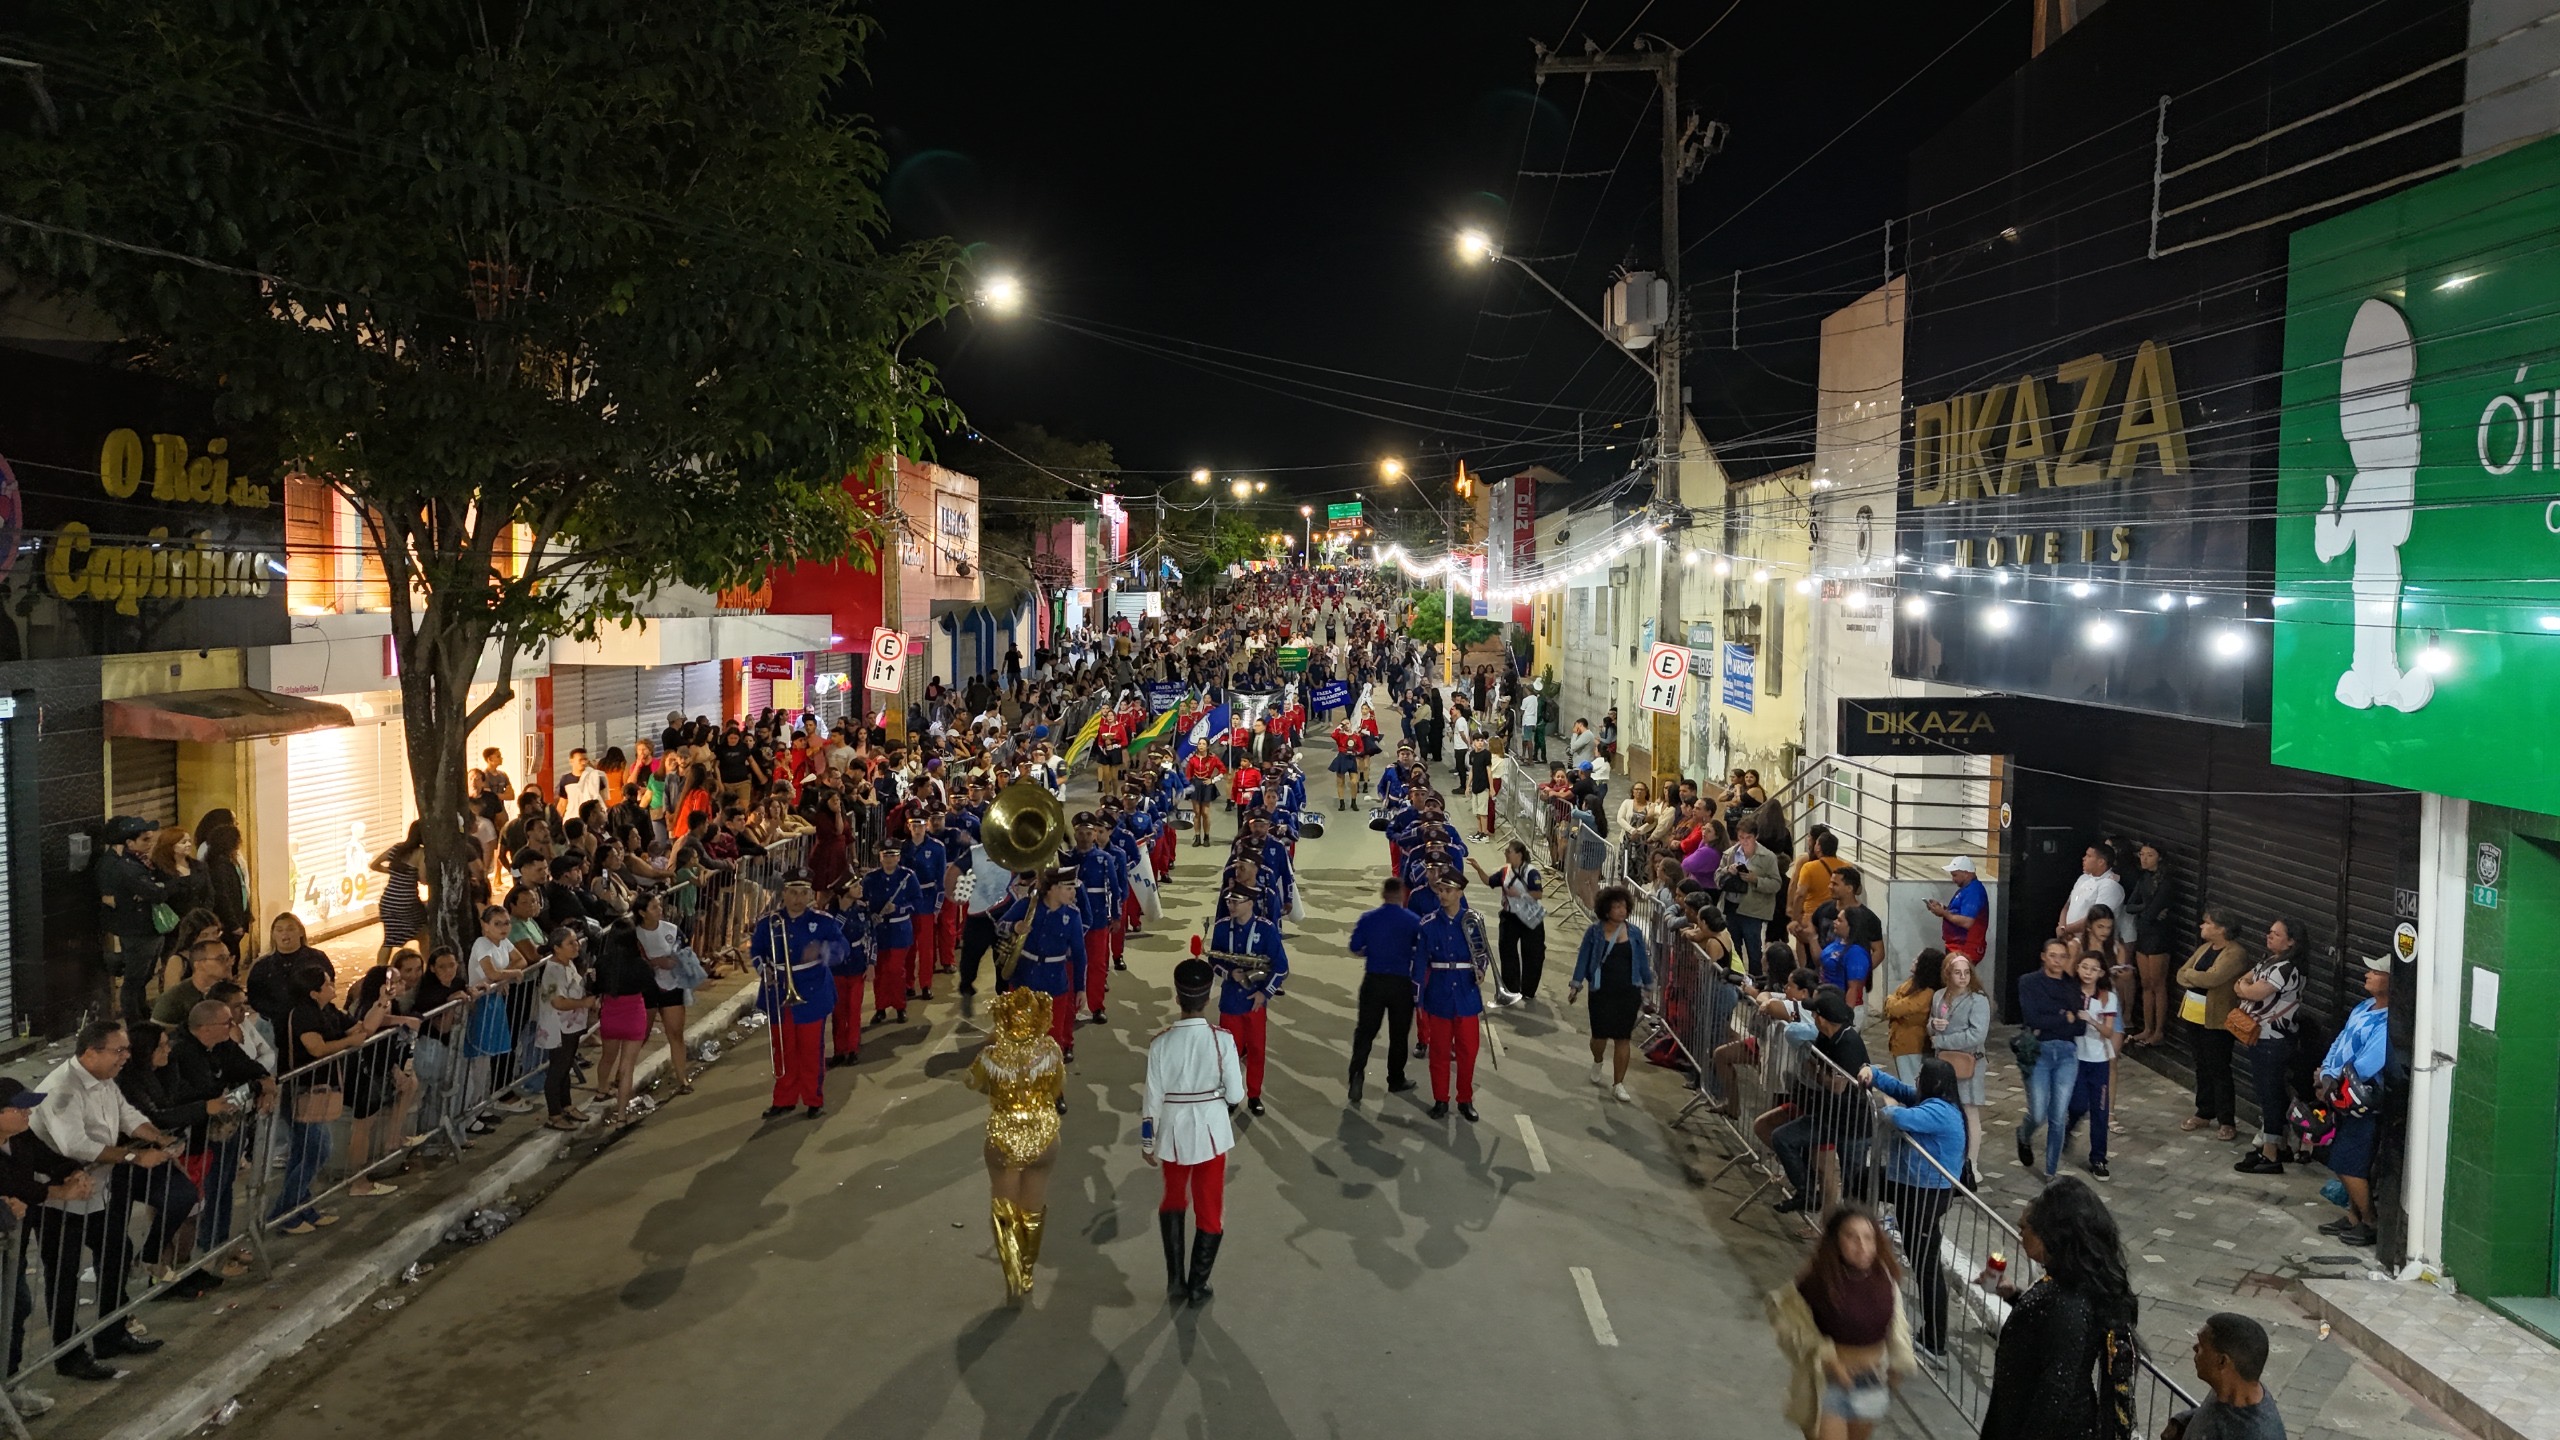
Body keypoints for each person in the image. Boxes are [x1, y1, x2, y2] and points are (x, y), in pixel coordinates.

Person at [30, 1022, 178, 1381]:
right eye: (118, 1050)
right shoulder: (62, 1089)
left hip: (95, 1191)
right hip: (58, 1198)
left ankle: (111, 1333)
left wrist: (157, 1137)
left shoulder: (105, 1080)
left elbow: (126, 1115)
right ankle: (68, 1354)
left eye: (126, 1050)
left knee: (117, 1250)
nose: (126, 1057)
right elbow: (74, 1145)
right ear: (90, 1052)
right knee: (63, 1275)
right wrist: (133, 1157)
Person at [1979, 1177, 2139, 1440]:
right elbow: (2045, 1328)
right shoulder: (2064, 1284)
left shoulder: (2070, 1301)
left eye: (2026, 1226)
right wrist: (2015, 1296)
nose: (2020, 1232)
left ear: (2052, 1233)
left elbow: (2054, 1393)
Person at [1142, 958, 1247, 1307]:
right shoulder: (1222, 1040)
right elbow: (1236, 1095)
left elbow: (1151, 1099)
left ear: (1177, 998)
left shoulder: (1160, 1044)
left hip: (1172, 1132)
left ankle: (1174, 1281)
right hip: (1211, 1134)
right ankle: (1198, 1285)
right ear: (1209, 996)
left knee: (1173, 1198)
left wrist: (1147, 1142)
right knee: (1210, 1208)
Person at [1765, 1205, 1915, 1440]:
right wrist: (1828, 1359)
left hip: (1871, 1382)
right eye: (1851, 1237)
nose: (1862, 1246)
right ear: (1836, 1240)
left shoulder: (1885, 1277)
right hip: (1828, 1383)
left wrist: (1898, 1362)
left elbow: (1897, 1325)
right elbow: (1786, 1318)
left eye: (1868, 1237)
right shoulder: (1816, 1280)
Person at [965, 986, 1066, 1302]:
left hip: (1003, 1139)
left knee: (1004, 1210)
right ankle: (1027, 1270)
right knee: (1033, 1208)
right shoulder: (1050, 1050)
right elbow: (1057, 1088)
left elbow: (971, 1082)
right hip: (1043, 1135)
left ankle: (1013, 1276)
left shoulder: (991, 1055)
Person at [1862, 1058, 1964, 1358]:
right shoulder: (1929, 1100)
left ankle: (1935, 1340)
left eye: (1921, 1077)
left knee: (1926, 1266)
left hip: (1926, 1194)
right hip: (1910, 1184)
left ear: (1934, 1083)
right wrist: (1872, 1073)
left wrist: (1888, 1105)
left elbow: (1896, 1116)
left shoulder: (1940, 1112)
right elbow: (1899, 1089)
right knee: (1862, 1180)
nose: (1916, 1082)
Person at [2315, 957, 2392, 1248]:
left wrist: (2334, 1084)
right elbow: (2340, 1041)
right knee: (2343, 1158)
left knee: (2349, 1163)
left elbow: (2368, 1063)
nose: (2367, 975)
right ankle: (2353, 1217)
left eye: (2376, 972)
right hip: (2338, 1092)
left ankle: (2370, 1222)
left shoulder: (2390, 1022)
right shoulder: (2363, 1007)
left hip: (2360, 1101)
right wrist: (2326, 1073)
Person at [752, 872, 842, 1120]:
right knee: (782, 1049)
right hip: (778, 992)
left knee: (811, 1050)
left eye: (803, 893)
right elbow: (757, 951)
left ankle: (813, 1099)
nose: (798, 899)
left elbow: (841, 948)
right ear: (784, 893)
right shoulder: (768, 922)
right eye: (792, 892)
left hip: (812, 992)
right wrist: (764, 970)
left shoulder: (822, 921)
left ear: (810, 894)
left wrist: (822, 949)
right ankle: (784, 1099)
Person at [1772, 990, 1870, 1215]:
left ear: (1822, 1018)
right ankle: (1806, 1192)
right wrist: (1821, 1074)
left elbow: (1837, 1085)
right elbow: (1818, 1067)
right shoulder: (1825, 1037)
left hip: (1853, 1126)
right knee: (1782, 1137)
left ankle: (1854, 1227)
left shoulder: (1849, 1043)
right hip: (1829, 1116)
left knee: (1853, 1187)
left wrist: (1818, 1075)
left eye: (1815, 1014)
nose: (1813, 1018)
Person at [2232, 916, 2309, 1176]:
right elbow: (2241, 982)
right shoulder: (2269, 961)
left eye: (2276, 934)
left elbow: (2252, 991)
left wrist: (2245, 988)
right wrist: (2245, 986)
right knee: (2271, 1093)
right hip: (2261, 1037)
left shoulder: (2287, 969)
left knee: (2270, 1095)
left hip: (2273, 1040)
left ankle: (2270, 1154)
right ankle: (2279, 1145)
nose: (2269, 936)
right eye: (2269, 932)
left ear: (2291, 942)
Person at [1415, 870, 1490, 1122]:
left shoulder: (1472, 922)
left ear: (1460, 893)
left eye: (1448, 890)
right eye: (1440, 890)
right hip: (1439, 995)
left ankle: (1465, 1099)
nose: (1442, 895)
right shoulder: (1427, 925)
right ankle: (1440, 1099)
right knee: (1439, 1052)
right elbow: (1419, 964)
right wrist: (1418, 999)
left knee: (1468, 1051)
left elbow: (1482, 953)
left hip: (1466, 995)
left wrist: (1481, 970)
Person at [1567, 886, 1653, 1104]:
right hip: (1601, 991)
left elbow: (1642, 962)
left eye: (1624, 906)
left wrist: (1649, 985)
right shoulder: (1594, 932)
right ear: (1606, 909)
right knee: (1599, 1036)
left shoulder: (1634, 933)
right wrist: (1576, 985)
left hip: (1628, 991)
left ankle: (1618, 1084)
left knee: (1623, 1037)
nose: (1622, 910)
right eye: (1616, 907)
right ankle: (1598, 1060)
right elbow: (1583, 958)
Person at [1207, 887, 1288, 1117]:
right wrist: (1228, 974)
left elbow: (1282, 967)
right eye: (1229, 901)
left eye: (1236, 902)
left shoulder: (1266, 929)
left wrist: (1265, 994)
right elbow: (1214, 960)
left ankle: (1254, 1095)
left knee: (1256, 1050)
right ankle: (1231, 1094)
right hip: (1231, 1001)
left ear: (1250, 903)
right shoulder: (1222, 927)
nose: (1230, 906)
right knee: (1228, 1052)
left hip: (1255, 1001)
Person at [2175, 908, 2251, 1142]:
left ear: (2221, 928)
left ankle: (2226, 1119)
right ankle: (2204, 1111)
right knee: (2201, 1065)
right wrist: (2195, 975)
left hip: (2216, 1020)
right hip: (2193, 1015)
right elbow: (2180, 974)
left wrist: (2193, 975)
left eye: (2207, 923)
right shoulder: (2204, 948)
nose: (2202, 926)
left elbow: (2213, 978)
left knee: (2219, 1068)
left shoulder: (2235, 953)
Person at [1345, 877, 1422, 1104]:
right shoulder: (1412, 920)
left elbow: (1355, 947)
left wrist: (1373, 951)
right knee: (1399, 1035)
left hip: (1374, 982)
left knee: (1365, 1032)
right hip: (1401, 984)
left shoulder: (1368, 918)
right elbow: (1419, 950)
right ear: (1402, 894)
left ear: (1383, 894)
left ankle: (1356, 1074)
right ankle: (1395, 1079)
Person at [94, 816, 173, 1030]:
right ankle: (136, 1025)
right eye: (145, 839)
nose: (150, 843)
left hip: (148, 927)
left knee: (142, 977)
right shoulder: (119, 866)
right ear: (128, 842)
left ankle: (142, 1017)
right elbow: (155, 892)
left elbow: (160, 885)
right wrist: (150, 891)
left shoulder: (141, 861)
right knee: (134, 980)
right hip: (136, 929)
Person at [2017, 938, 2086, 1180]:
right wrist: (2064, 1016)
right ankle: (2023, 1134)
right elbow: (2032, 1018)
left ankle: (2050, 1172)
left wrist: (2053, 1018)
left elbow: (2080, 1027)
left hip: (2067, 1054)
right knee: (2038, 1113)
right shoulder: (2029, 982)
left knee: (2058, 1116)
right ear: (2043, 956)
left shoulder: (2072, 986)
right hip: (2039, 1052)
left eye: (2062, 956)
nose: (2057, 961)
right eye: (2053, 955)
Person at [2164, 1314, 2285, 1440]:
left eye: (2202, 1345)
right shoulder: (2227, 1389)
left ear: (2222, 1361)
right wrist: (2182, 1421)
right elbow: (2214, 1413)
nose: (2195, 1348)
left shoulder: (2256, 1434)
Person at [1928, 953, 1992, 1185]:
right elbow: (1930, 1024)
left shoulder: (1977, 1000)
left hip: (1968, 1061)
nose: (1963, 977)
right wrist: (1933, 1025)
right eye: (1958, 973)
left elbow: (1977, 1035)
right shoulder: (1939, 996)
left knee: (1969, 1110)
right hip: (1944, 1062)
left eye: (1966, 972)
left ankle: (1971, 1164)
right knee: (1947, 1108)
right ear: (1948, 974)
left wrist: (1942, 1041)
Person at [2062, 952, 2122, 1180]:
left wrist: (2090, 1019)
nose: (2088, 972)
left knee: (2100, 1110)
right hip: (2075, 1057)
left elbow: (2108, 1031)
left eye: (2093, 969)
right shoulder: (2070, 992)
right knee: (2077, 1104)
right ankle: (2068, 1128)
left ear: (2101, 973)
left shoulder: (2107, 997)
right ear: (2077, 968)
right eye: (2084, 967)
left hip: (2099, 1060)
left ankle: (2099, 1158)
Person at [1472, 841, 1546, 1006]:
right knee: (1507, 952)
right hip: (1510, 917)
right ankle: (1511, 989)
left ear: (1519, 854)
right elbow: (1489, 881)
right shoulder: (1505, 871)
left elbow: (1538, 894)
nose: (1506, 853)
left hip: (1530, 918)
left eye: (1509, 851)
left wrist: (1519, 893)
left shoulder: (1531, 872)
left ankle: (1528, 990)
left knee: (1533, 953)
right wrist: (1478, 869)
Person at [2126, 841, 2177, 1046]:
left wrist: (2147, 910)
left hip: (2159, 936)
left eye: (2149, 855)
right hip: (2144, 934)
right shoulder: (2143, 878)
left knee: (2158, 984)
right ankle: (2147, 1028)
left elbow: (2151, 913)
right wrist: (2146, 907)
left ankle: (2159, 1031)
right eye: (2142, 854)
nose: (2144, 859)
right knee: (2146, 983)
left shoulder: (2166, 882)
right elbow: (2130, 906)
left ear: (2159, 857)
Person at [862, 839, 919, 1025]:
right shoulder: (870, 879)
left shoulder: (908, 877)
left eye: (893, 855)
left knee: (895, 970)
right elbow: (862, 902)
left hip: (899, 930)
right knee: (879, 971)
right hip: (879, 932)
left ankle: (900, 1006)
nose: (889, 859)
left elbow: (917, 901)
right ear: (880, 857)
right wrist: (870, 915)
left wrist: (898, 908)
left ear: (899, 857)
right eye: (885, 855)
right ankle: (880, 1007)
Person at [1882, 949, 1944, 1084]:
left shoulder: (1927, 993)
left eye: (1917, 959)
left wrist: (1891, 1001)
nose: (1913, 960)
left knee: (1910, 1083)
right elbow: (1891, 1002)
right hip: (1900, 1043)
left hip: (1912, 1046)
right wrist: (1891, 1001)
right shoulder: (1912, 983)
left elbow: (1895, 1008)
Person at [2057, 843, 2126, 946]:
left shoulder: (2109, 885)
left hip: (2093, 944)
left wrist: (2066, 929)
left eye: (2089, 856)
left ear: (2101, 862)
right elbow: (2067, 905)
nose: (2084, 858)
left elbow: (2096, 918)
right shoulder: (2083, 878)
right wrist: (2062, 927)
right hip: (2070, 939)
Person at [1925, 856, 1988, 964]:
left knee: (1956, 974)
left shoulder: (1974, 892)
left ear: (1966, 873)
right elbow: (1959, 912)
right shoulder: (1968, 889)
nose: (1953, 879)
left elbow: (1967, 921)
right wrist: (1941, 908)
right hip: (1959, 946)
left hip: (1965, 947)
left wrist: (1943, 913)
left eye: (1955, 875)